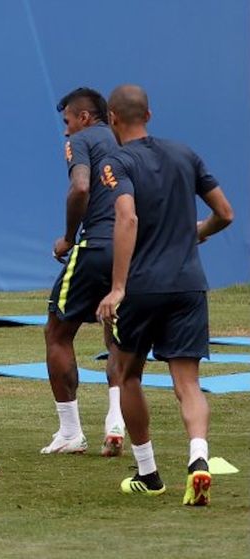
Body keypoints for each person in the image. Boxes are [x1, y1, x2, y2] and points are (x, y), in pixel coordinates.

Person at [96, 85, 233, 505]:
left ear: (113, 119)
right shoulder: (185, 154)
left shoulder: (116, 161)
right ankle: (198, 459)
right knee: (188, 383)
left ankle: (149, 473)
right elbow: (225, 214)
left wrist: (118, 287)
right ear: (150, 114)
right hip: (189, 284)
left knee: (127, 373)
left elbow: (126, 216)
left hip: (143, 286)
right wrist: (198, 233)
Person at [42, 87, 125, 456]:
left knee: (57, 332)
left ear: (85, 118)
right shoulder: (126, 142)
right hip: (131, 248)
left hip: (95, 246)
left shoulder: (83, 140)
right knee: (118, 333)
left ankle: (71, 432)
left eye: (68, 122)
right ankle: (117, 420)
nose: (66, 131)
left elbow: (80, 188)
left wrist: (68, 237)